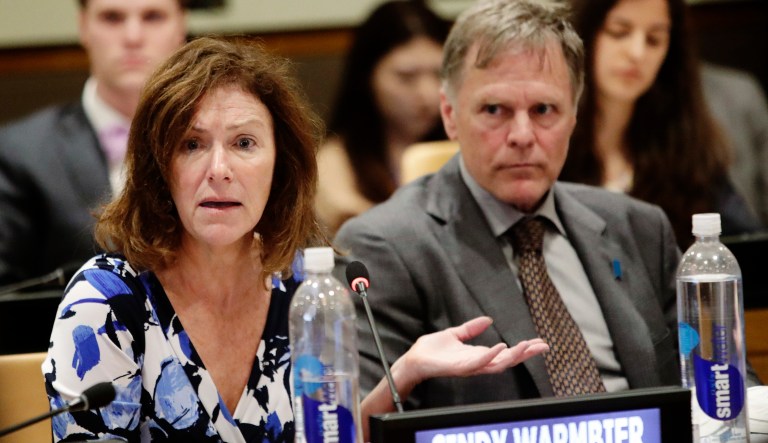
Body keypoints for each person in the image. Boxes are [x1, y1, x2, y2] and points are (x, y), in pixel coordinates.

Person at [42, 36, 548, 442]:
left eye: (244, 143)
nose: (219, 170)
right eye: (192, 144)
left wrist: (407, 370)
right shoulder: (104, 305)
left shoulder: (307, 292)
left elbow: (330, 433)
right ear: (159, 168)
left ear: (280, 166)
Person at [334, 0, 761, 410]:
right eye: (495, 109)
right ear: (450, 114)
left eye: (544, 109)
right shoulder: (385, 247)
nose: (522, 134)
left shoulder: (638, 227)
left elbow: (728, 383)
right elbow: (359, 422)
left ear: (574, 115)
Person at [0, 0, 188, 286]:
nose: (133, 37)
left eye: (153, 17)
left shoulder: (227, 148)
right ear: (83, 26)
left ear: (181, 27)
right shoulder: (19, 152)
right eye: (112, 18)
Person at [559, 0, 763, 249]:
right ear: (584, 33)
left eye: (654, 39)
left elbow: (750, 250)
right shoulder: (551, 143)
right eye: (619, 32)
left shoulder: (688, 150)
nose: (637, 53)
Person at [316, 0, 450, 235]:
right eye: (406, 77)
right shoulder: (333, 164)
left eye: (439, 74)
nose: (428, 94)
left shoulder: (466, 150)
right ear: (367, 77)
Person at [701, 62, 768, 225]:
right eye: (625, 35)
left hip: (737, 229)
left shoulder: (739, 91)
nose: (638, 52)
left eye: (654, 40)